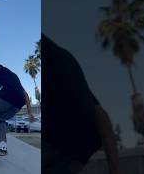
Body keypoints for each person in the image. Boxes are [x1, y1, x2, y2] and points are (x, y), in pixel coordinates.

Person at [43, 34, 120, 174]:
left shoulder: (57, 59)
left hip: (68, 146)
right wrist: (115, 170)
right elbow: (101, 114)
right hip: (83, 147)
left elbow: (101, 115)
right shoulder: (64, 60)